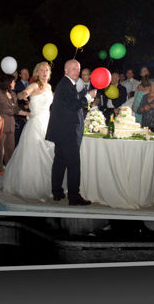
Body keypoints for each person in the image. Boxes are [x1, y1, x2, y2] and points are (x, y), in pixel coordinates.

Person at [0, 61, 59, 201]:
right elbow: (21, 94)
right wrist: (24, 95)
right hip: (35, 123)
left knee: (49, 153)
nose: (44, 72)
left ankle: (50, 184)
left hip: (48, 123)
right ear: (37, 72)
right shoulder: (34, 85)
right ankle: (32, 185)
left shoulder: (49, 87)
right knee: (34, 155)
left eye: (47, 70)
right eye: (42, 70)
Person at [46, 59, 97, 205]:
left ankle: (57, 192)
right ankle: (74, 197)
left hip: (62, 131)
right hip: (67, 133)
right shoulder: (66, 85)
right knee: (73, 164)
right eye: (73, 68)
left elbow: (68, 106)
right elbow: (73, 105)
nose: (77, 71)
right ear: (66, 70)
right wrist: (88, 97)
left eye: (78, 68)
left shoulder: (66, 84)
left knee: (60, 162)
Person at [0, 74, 29, 176]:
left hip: (11, 122)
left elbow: (16, 110)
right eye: (13, 81)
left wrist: (28, 113)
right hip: (1, 122)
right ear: (8, 82)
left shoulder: (13, 94)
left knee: (10, 147)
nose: (15, 83)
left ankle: (9, 167)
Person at [14, 68, 31, 146]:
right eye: (23, 74)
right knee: (18, 136)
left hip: (30, 113)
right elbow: (15, 100)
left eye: (27, 73)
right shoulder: (15, 85)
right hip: (19, 115)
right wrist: (24, 106)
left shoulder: (31, 85)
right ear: (20, 75)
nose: (26, 75)